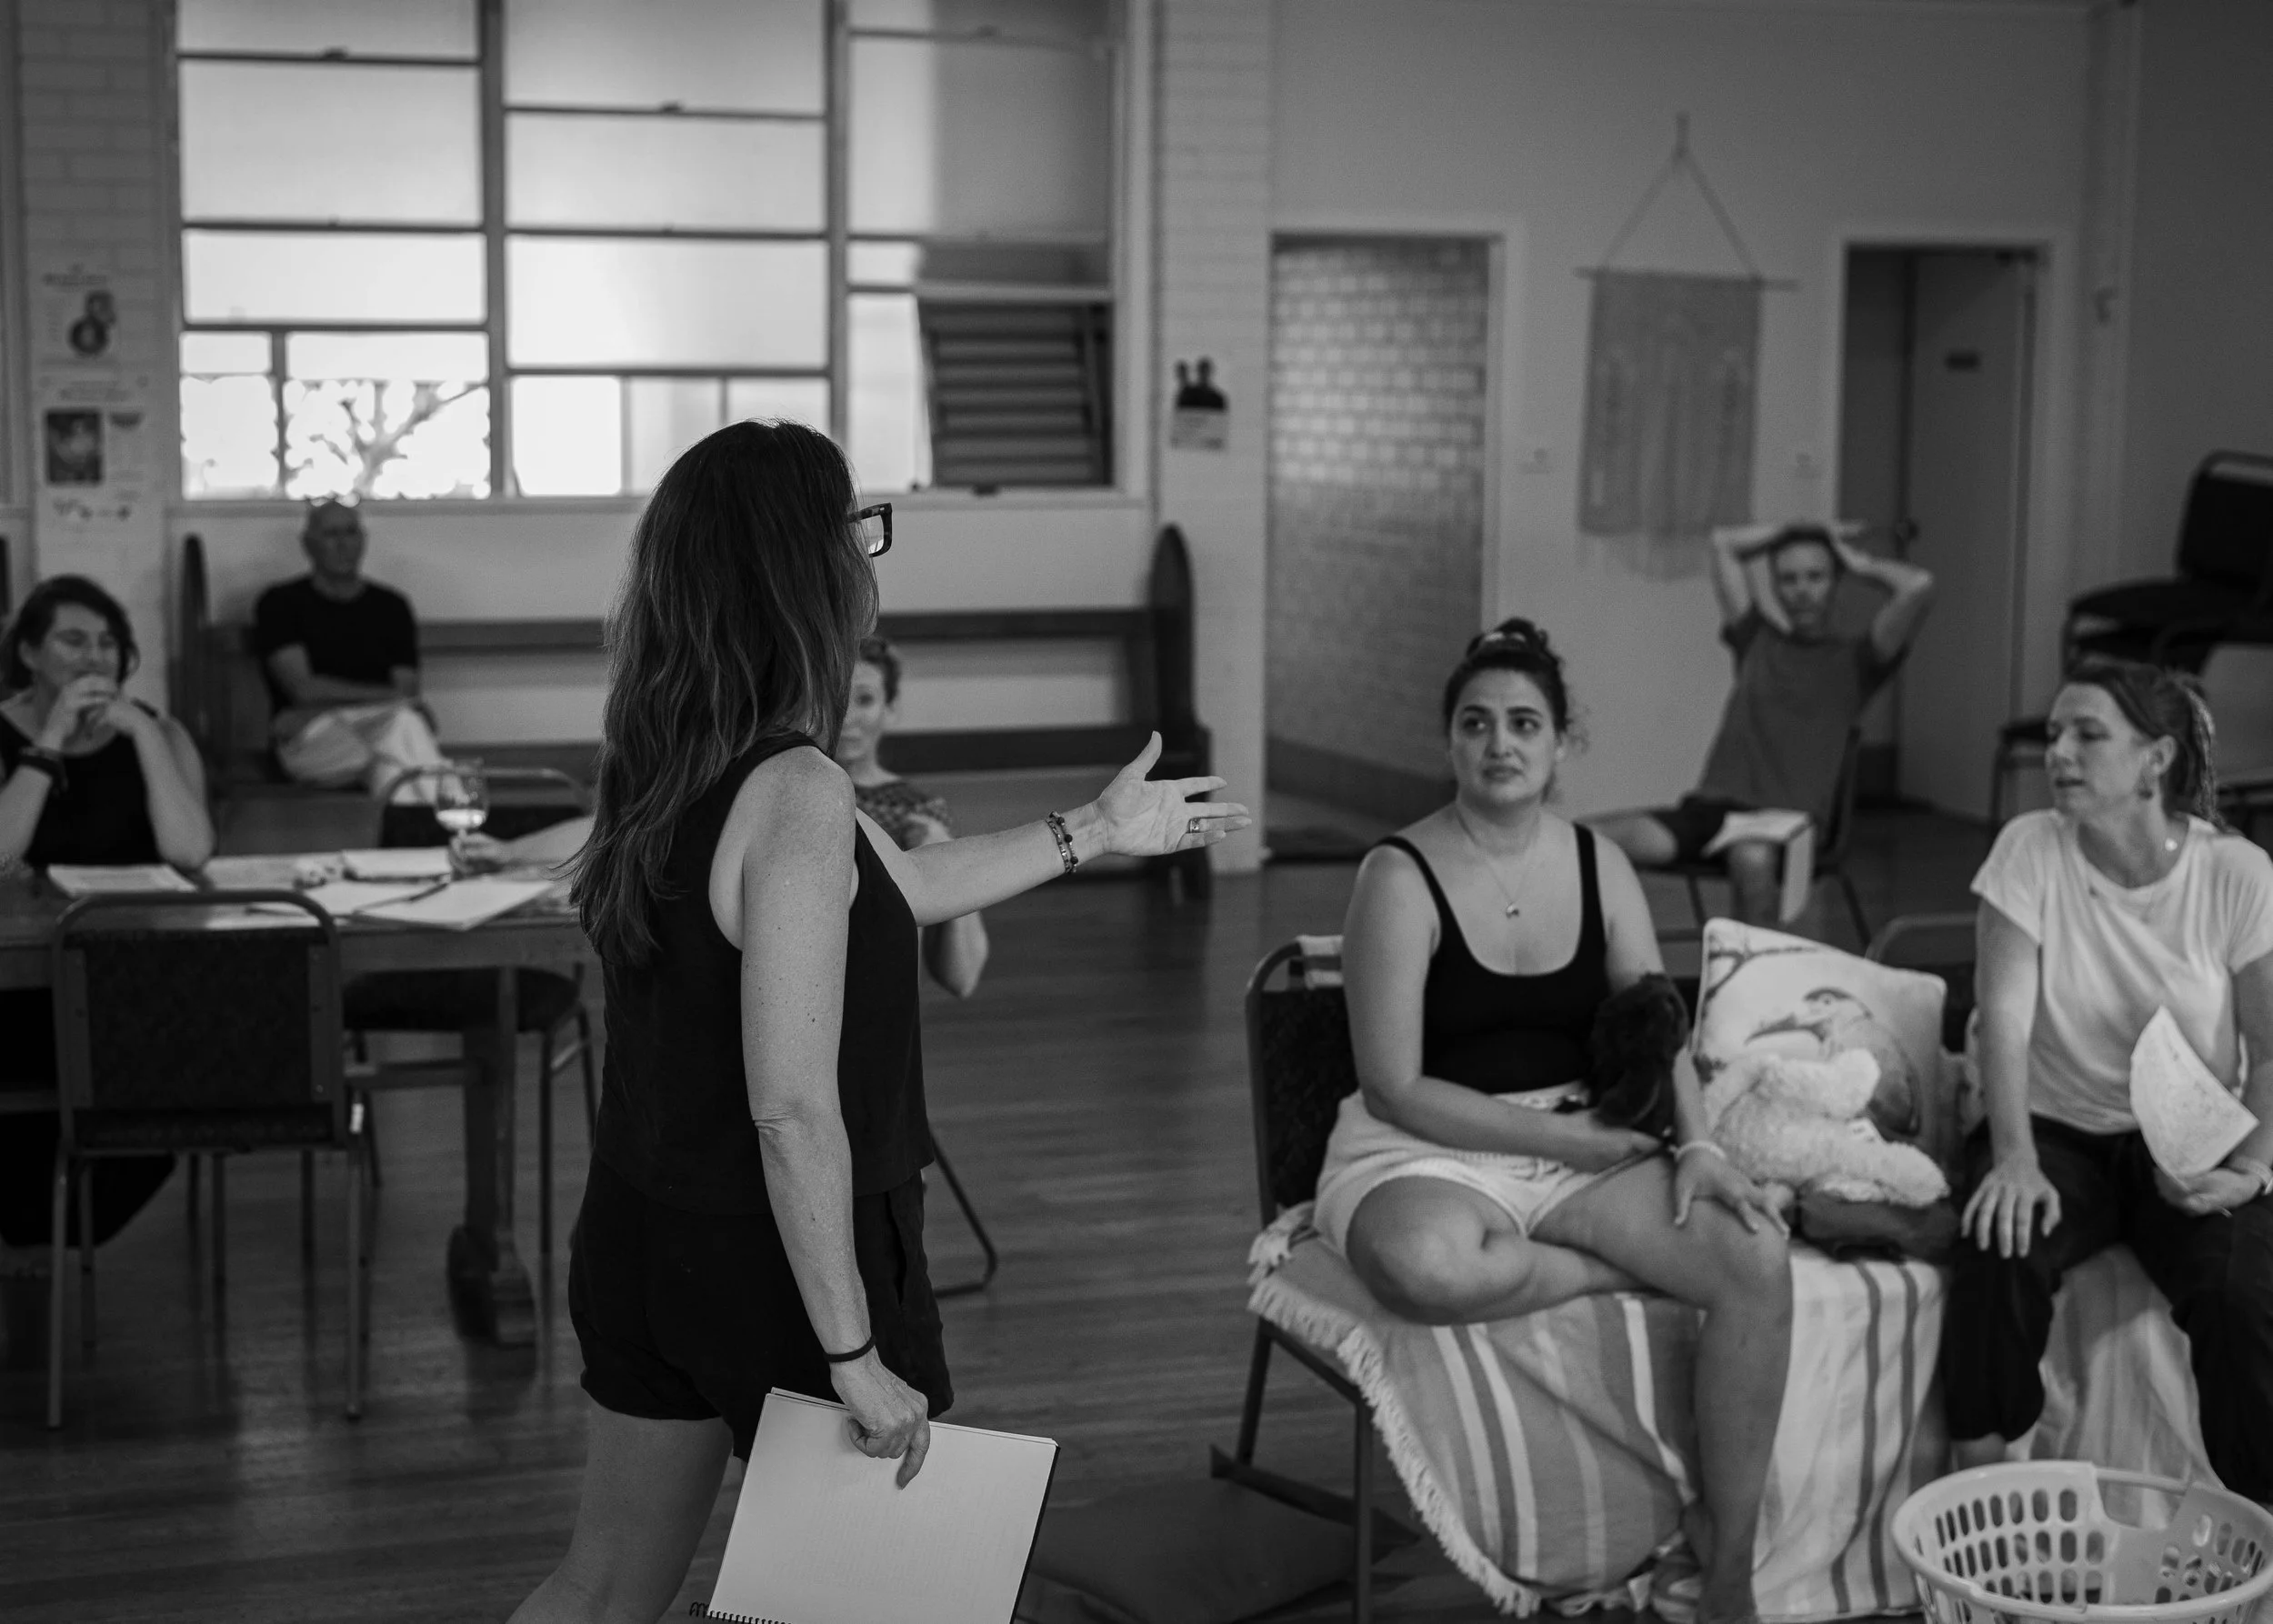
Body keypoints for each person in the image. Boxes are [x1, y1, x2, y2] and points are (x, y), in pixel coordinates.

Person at [510, 421, 1247, 1623]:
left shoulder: (665, 759)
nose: (871, 556)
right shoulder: (798, 787)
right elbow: (793, 1108)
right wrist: (852, 1349)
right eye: (858, 529)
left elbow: (890, 894)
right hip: (782, 1265)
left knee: (600, 1587)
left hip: (645, 1232)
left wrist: (1098, 830)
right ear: (803, 566)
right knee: (872, 1606)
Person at [1317, 619, 1790, 1624]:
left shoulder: (1597, 860)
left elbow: (1656, 1020)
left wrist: (1697, 1146)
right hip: (1428, 1143)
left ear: (1561, 742)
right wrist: (1569, 1145)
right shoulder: (1396, 874)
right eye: (1476, 722)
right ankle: (1614, 1267)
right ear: (1448, 739)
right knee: (1425, 1268)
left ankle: (1730, 1558)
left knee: (1752, 1259)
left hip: (1583, 1134)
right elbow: (1394, 1083)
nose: (1500, 743)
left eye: (1523, 723)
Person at [1943, 658, 2273, 1498]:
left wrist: (2252, 1169)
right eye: (2055, 733)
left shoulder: (2235, 873)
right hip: (2056, 1132)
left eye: (2088, 735)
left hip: (2191, 1137)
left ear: (2156, 760)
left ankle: (2259, 1524)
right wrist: (2013, 1156)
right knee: (1998, 1238)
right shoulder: (2029, 848)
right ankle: (1976, 1497)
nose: (2059, 752)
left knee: (2239, 1287)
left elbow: (2270, 1054)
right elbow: (2004, 1026)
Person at [0, 576, 211, 1330]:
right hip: (19, 992)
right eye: (73, 640)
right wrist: (49, 740)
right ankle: (25, 1230)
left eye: (109, 642)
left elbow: (190, 850)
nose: (96, 657)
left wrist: (145, 734)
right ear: (28, 652)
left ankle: (45, 1227)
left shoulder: (159, 732)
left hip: (132, 985)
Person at [1589, 521, 1935, 922]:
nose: (1802, 590)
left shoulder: (1859, 660)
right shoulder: (1756, 640)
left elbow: (1919, 586)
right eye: (1788, 579)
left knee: (1751, 859)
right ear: (1774, 587)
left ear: (1836, 581)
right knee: (1582, 841)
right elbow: (1723, 543)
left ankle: (1756, 979)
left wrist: (1858, 563)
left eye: (1816, 577)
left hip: (1785, 824)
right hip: (1711, 813)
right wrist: (1807, 527)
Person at [254, 498, 446, 797]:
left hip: (376, 735)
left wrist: (332, 700)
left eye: (351, 533)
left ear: (363, 540)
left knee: (391, 769)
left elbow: (405, 691)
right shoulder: (280, 604)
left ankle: (419, 837)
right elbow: (303, 690)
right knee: (402, 727)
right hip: (311, 740)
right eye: (332, 534)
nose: (343, 544)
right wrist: (388, 699)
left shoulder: (391, 607)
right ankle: (458, 824)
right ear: (308, 543)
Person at [833, 635, 989, 997]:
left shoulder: (916, 812)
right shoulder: (784, 793)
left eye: (865, 699)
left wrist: (942, 848)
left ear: (891, 707)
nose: (848, 716)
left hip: (882, 1010)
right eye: (835, 697)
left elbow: (961, 977)